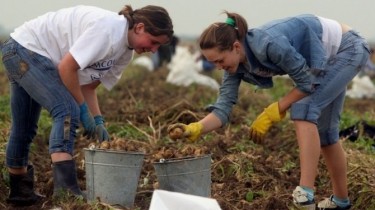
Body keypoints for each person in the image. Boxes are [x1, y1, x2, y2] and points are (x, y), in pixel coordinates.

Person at [167, 12, 370, 210]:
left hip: (348, 48)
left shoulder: (269, 44)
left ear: (236, 47)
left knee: (304, 108)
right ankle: (341, 202)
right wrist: (195, 128)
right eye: (214, 63)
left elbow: (306, 82)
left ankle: (305, 194)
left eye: (220, 60)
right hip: (328, 60)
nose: (219, 67)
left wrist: (274, 110)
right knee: (325, 134)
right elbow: (223, 108)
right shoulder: (235, 67)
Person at [1, 4, 173, 206]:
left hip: (22, 51)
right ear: (139, 27)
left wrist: (98, 119)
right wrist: (82, 111)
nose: (153, 50)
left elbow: (89, 87)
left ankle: (20, 194)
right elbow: (67, 68)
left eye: (158, 47)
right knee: (66, 111)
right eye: (153, 43)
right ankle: (66, 192)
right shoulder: (108, 30)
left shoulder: (125, 53)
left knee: (25, 126)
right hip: (26, 50)